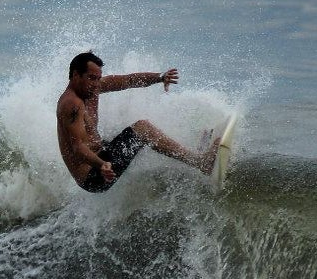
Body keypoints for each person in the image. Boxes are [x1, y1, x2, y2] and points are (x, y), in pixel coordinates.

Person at [56, 51, 219, 193]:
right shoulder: (71, 103)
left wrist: (160, 77)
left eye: (98, 78)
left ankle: (191, 158)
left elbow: (129, 80)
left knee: (141, 138)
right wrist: (102, 165)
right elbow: (78, 148)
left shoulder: (91, 89)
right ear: (76, 75)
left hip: (100, 156)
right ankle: (200, 162)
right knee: (142, 129)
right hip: (92, 175)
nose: (96, 84)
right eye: (91, 78)